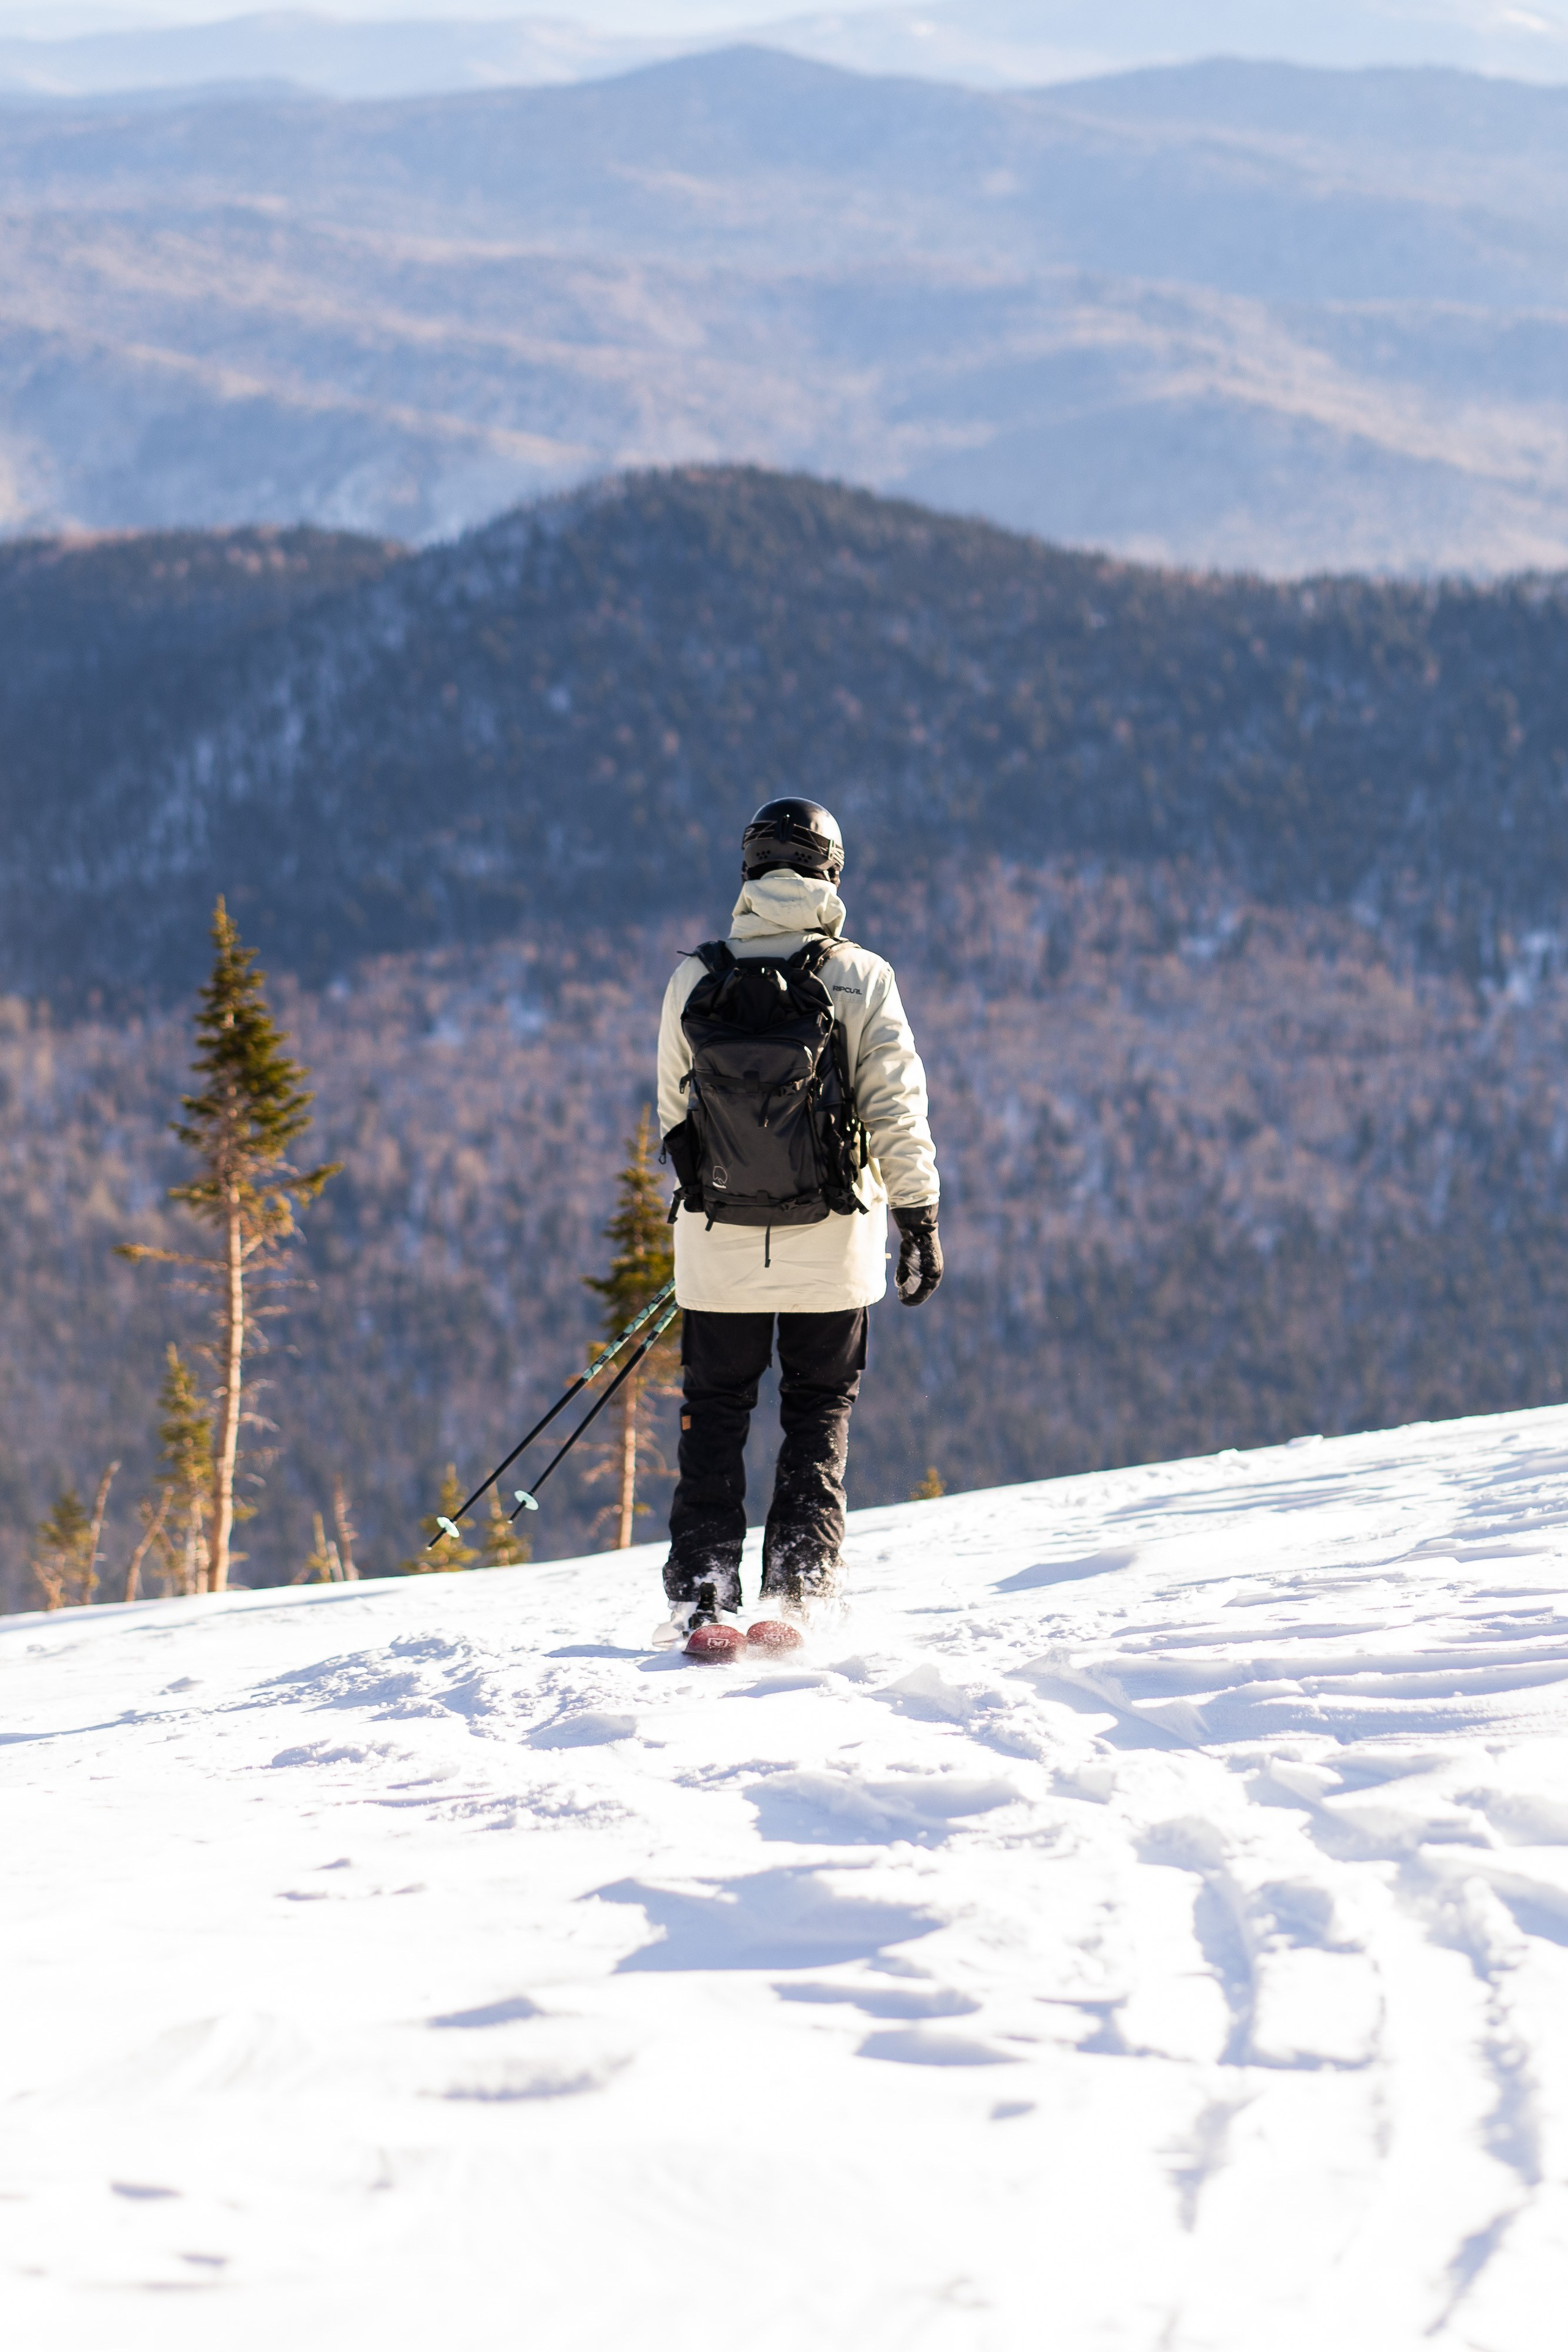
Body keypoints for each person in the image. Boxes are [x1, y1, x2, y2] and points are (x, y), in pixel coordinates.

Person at [656, 796, 942, 1629]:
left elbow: (672, 1117)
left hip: (717, 1248)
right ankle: (799, 1590)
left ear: (750, 870)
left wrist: (707, 1205)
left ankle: (704, 1599)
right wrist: (918, 1219)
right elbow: (897, 1109)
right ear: (831, 872)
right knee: (817, 1414)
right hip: (836, 1240)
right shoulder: (861, 977)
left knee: (715, 1417)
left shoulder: (695, 977)